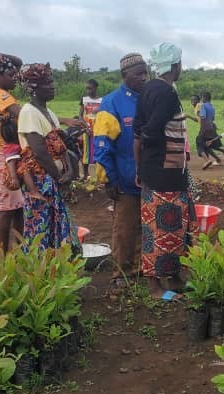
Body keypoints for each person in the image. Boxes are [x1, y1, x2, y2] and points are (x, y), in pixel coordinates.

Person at [133, 42, 196, 299]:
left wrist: (141, 166)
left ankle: (172, 277)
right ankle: (155, 287)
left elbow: (137, 131)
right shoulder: (166, 93)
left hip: (158, 171)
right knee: (160, 231)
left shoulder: (149, 88)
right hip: (164, 173)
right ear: (175, 65)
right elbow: (150, 130)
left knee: (172, 229)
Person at [93, 53, 149, 284]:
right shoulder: (112, 103)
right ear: (125, 75)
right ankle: (122, 274)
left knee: (146, 226)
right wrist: (109, 180)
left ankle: (141, 268)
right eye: (139, 74)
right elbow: (102, 145)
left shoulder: (149, 97)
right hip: (125, 180)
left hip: (150, 178)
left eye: (146, 73)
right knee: (125, 228)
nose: (144, 78)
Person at [16, 63, 81, 251]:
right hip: (40, 181)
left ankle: (55, 271)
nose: (53, 86)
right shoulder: (28, 113)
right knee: (40, 229)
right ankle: (38, 273)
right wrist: (60, 177)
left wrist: (68, 171)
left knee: (56, 227)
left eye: (52, 82)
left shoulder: (50, 113)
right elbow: (39, 151)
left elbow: (60, 144)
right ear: (34, 88)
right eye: (48, 83)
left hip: (54, 178)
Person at [0, 53, 26, 252]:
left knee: (17, 206)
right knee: (6, 209)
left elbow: (19, 63)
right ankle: (3, 256)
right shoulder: (1, 95)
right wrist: (61, 120)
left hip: (8, 152)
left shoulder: (1, 91)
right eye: (10, 74)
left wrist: (3, 55)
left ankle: (19, 251)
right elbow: (25, 115)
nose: (15, 77)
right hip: (0, 154)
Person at [79, 78, 102, 181]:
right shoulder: (84, 99)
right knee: (86, 151)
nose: (88, 91)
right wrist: (85, 127)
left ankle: (99, 175)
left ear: (96, 88)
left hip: (98, 128)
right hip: (87, 128)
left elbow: (103, 116)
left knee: (98, 149)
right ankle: (85, 174)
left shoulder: (102, 101)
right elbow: (80, 115)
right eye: (87, 89)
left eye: (90, 88)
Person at [197, 91, 224, 169]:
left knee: (199, 143)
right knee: (207, 145)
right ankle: (217, 158)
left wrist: (198, 114)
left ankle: (207, 160)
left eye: (202, 97)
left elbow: (203, 117)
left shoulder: (203, 106)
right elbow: (212, 118)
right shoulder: (212, 106)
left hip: (205, 128)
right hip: (212, 127)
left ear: (204, 98)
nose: (202, 99)